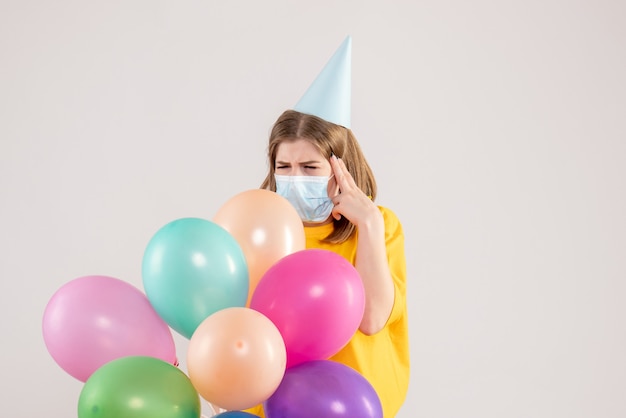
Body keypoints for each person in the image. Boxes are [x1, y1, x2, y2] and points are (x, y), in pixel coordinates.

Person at [243, 108, 410, 418]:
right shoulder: (261, 231)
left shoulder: (381, 226)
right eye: (284, 166)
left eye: (310, 167)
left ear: (341, 169)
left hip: (355, 406)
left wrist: (369, 224)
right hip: (276, 407)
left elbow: (372, 320)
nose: (295, 179)